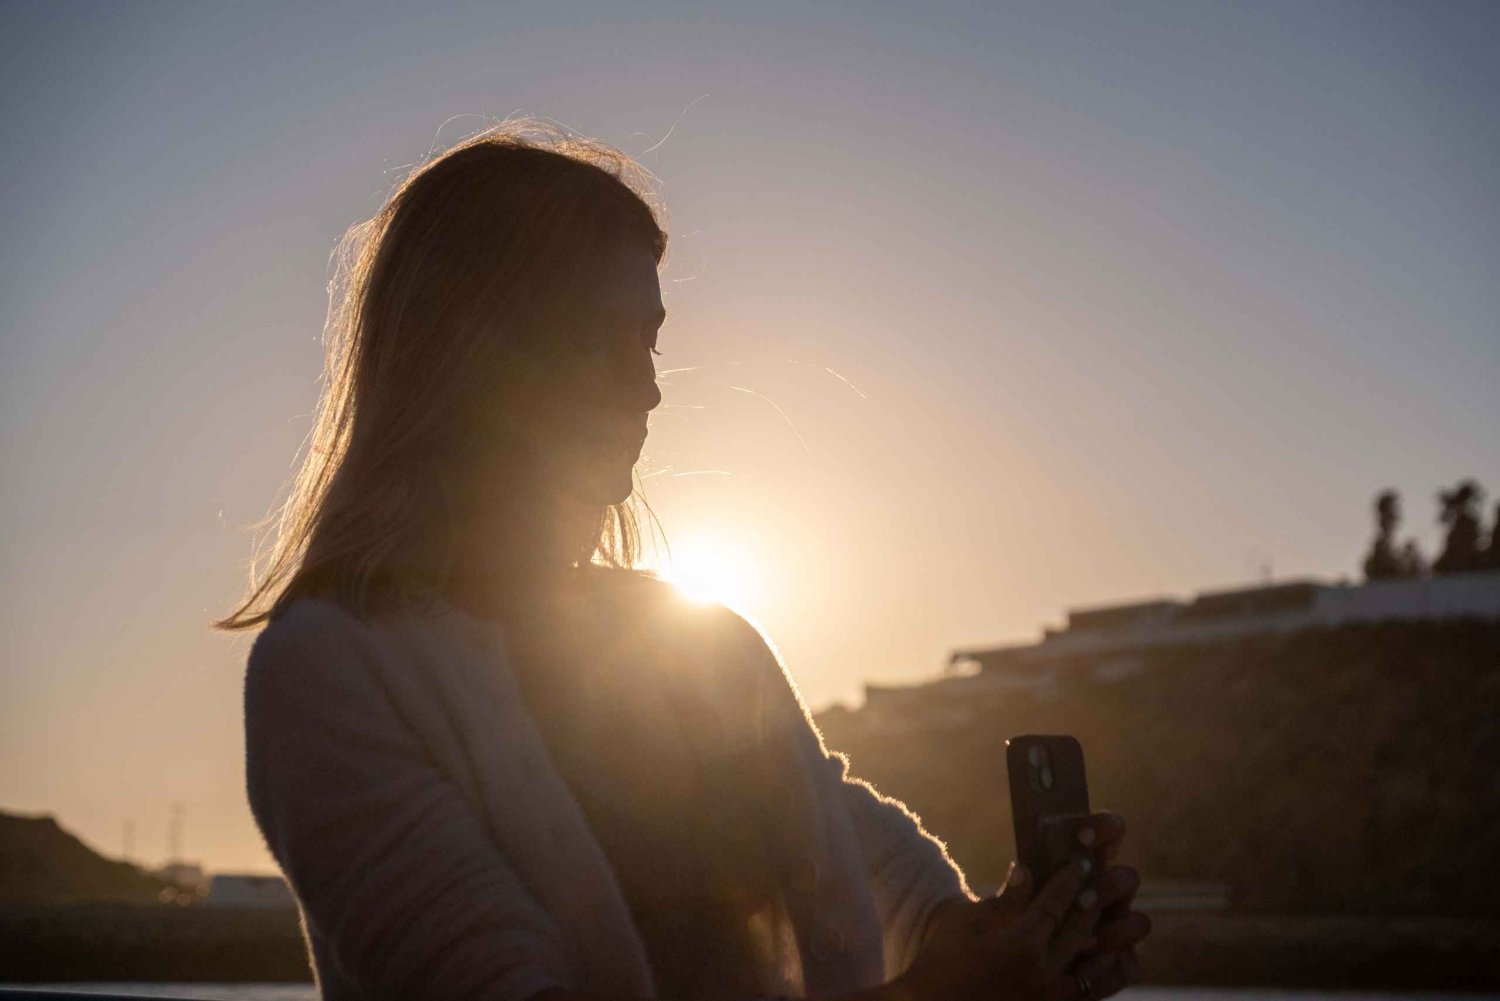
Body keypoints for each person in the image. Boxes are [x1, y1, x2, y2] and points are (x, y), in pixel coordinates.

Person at [216, 121, 1150, 1001]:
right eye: (596, 337)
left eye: (651, 339)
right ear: (472, 349)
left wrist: (1024, 937)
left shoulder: (701, 645)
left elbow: (893, 888)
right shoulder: (334, 668)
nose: (648, 386)